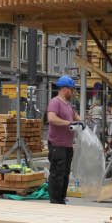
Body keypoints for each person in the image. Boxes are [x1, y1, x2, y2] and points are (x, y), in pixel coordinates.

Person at [46, 75, 82, 205]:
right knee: (57, 173)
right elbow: (51, 118)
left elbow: (76, 117)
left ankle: (61, 198)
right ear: (65, 89)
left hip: (67, 145)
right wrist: (69, 123)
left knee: (65, 173)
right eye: (72, 90)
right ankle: (55, 201)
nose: (73, 93)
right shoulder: (55, 102)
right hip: (57, 145)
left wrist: (81, 121)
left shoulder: (68, 105)